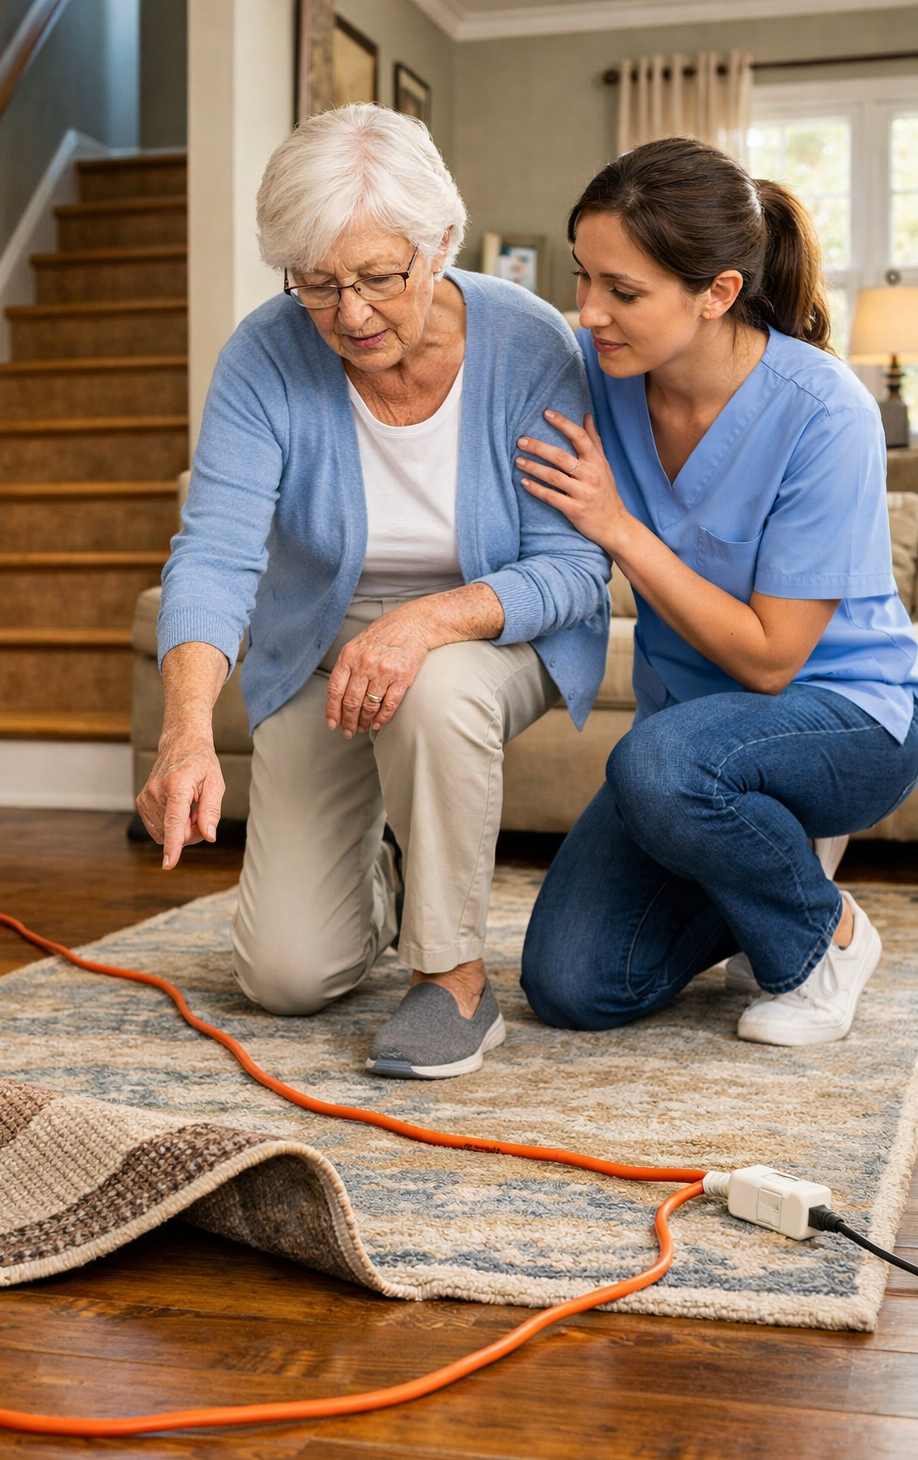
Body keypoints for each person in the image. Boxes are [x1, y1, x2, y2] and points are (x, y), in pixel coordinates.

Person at [136, 104, 610, 1079]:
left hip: (492, 624)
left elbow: (573, 567)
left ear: (440, 244)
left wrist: (425, 623)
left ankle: (453, 981)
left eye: (378, 279)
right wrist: (184, 727)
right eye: (316, 284)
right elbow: (216, 551)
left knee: (434, 688)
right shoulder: (266, 353)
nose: (349, 315)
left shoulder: (529, 346)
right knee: (285, 978)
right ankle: (394, 877)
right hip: (323, 640)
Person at [518, 137, 918, 1047]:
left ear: (719, 293)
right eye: (584, 278)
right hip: (695, 741)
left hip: (844, 718)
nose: (588, 313)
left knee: (658, 762)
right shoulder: (603, 384)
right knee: (574, 985)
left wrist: (620, 527)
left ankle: (828, 936)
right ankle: (765, 887)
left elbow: (772, 660)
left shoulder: (825, 412)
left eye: (623, 293)